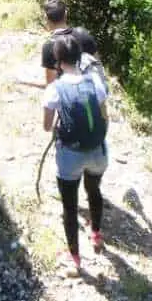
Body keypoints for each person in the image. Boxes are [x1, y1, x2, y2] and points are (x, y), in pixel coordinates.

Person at [42, 33, 108, 277]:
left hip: (70, 156)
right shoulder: (95, 82)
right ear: (80, 58)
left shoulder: (54, 89)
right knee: (94, 190)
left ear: (58, 61)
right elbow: (104, 115)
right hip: (98, 153)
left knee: (70, 208)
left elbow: (47, 127)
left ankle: (75, 258)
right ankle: (97, 235)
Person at [38, 0, 106, 91]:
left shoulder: (49, 46)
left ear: (46, 17)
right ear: (66, 14)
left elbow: (51, 86)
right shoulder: (83, 34)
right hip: (93, 95)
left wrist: (26, 82)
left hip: (69, 101)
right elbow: (98, 65)